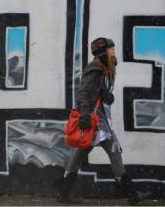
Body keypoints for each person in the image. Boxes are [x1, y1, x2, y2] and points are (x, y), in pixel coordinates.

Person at [57, 37, 147, 205]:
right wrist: (84, 115)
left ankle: (63, 192)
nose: (113, 51)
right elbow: (83, 93)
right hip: (94, 122)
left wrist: (106, 95)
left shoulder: (105, 69)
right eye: (110, 48)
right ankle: (131, 195)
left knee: (88, 155)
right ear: (103, 52)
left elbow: (97, 92)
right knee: (107, 153)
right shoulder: (95, 69)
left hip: (101, 121)